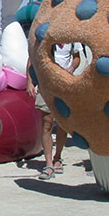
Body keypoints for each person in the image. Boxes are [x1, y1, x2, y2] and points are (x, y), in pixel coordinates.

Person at [26, 42, 82, 180]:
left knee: (63, 124)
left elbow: (77, 57)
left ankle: (58, 157)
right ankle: (49, 163)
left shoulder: (72, 38)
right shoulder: (46, 37)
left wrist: (72, 68)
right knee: (47, 124)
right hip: (46, 84)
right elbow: (32, 59)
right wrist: (29, 81)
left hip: (65, 84)